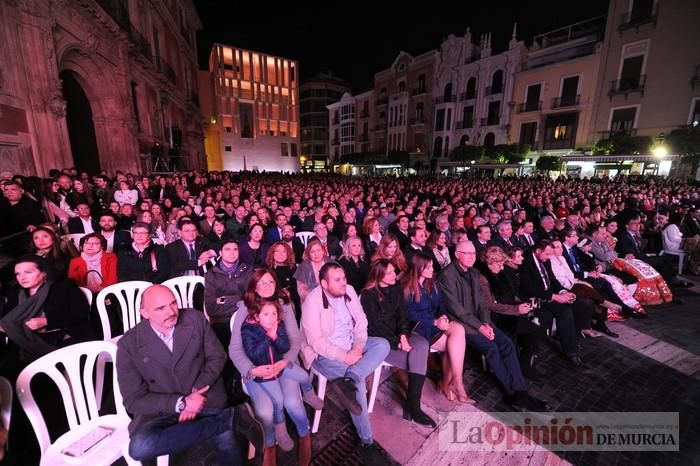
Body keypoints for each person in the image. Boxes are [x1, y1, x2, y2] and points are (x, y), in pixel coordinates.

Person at [115, 284, 263, 465]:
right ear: (144, 313)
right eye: (160, 308)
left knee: (227, 446)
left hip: (205, 396)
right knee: (139, 447)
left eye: (173, 304)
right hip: (162, 409)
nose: (171, 312)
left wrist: (196, 392)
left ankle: (222, 424)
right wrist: (182, 403)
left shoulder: (194, 318)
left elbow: (217, 356)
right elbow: (133, 400)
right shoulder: (128, 344)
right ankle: (233, 418)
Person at [438, 241, 548, 411]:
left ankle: (520, 391)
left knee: (507, 344)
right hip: (461, 325)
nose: (471, 257)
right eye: (467, 253)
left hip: (481, 321)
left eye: (473, 254)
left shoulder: (474, 273)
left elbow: (483, 304)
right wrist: (480, 327)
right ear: (457, 254)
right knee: (492, 349)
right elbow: (457, 310)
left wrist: (487, 323)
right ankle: (511, 393)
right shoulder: (447, 276)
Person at [300, 262, 390, 459]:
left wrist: (358, 346)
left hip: (351, 344)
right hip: (324, 355)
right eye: (337, 280)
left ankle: (352, 375)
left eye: (344, 278)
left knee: (382, 345)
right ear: (324, 283)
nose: (343, 283)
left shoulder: (348, 291)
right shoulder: (312, 302)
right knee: (357, 384)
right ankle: (366, 442)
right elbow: (315, 342)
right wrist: (344, 356)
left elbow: (361, 320)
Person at [229, 269, 314, 466]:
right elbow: (235, 349)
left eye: (270, 282)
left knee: (292, 402)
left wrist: (285, 362)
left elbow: (295, 340)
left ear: (276, 284)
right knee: (265, 412)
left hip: (283, 362)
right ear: (253, 286)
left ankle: (304, 433)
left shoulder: (285, 305)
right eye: (261, 283)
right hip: (257, 367)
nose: (266, 286)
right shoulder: (244, 308)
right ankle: (269, 445)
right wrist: (251, 370)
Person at [240, 298, 323, 464]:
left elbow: (285, 347)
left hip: (280, 365)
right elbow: (253, 354)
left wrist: (275, 335)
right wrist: (268, 337)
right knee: (275, 402)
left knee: (303, 379)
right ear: (256, 317)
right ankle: (276, 435)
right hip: (263, 372)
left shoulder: (278, 323)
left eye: (273, 314)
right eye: (266, 314)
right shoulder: (248, 330)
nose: (271, 318)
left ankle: (307, 405)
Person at [360, 259, 435, 427]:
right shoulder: (368, 295)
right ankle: (414, 408)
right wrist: (397, 342)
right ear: (379, 275)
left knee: (422, 345)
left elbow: (403, 316)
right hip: (382, 341)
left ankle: (412, 406)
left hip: (399, 334)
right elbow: (375, 327)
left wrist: (402, 335)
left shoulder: (396, 288)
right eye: (390, 273)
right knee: (418, 357)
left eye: (394, 271)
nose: (395, 275)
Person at [0, 255, 95, 376]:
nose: (22, 277)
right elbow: (9, 319)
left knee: (42, 373)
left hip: (64, 336)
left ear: (44, 272)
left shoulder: (64, 286)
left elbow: (81, 312)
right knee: (8, 371)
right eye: (17, 274)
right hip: (25, 338)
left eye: (28, 272)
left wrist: (46, 321)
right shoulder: (16, 293)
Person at [402, 253, 472, 403]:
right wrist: (435, 322)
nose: (432, 269)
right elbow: (409, 316)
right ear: (419, 269)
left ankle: (456, 381)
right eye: (428, 267)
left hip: (437, 322)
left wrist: (444, 317)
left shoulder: (432, 282)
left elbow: (441, 304)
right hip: (421, 328)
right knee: (451, 346)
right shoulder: (407, 287)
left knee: (459, 329)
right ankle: (448, 384)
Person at [474, 247, 547, 379]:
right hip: (494, 317)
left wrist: (522, 303)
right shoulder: (483, 279)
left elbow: (510, 294)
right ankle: (521, 366)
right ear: (491, 262)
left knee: (537, 327)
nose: (502, 268)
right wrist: (516, 310)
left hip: (507, 311)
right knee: (533, 330)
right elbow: (489, 305)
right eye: (500, 264)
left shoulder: (497, 273)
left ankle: (524, 363)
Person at [519, 240, 587, 366]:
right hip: (537, 298)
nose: (549, 257)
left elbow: (552, 280)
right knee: (564, 311)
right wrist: (554, 297)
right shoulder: (525, 262)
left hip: (550, 294)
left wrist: (562, 291)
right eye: (547, 254)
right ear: (538, 251)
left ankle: (570, 336)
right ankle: (571, 352)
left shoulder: (546, 260)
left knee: (582, 304)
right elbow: (528, 287)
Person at [204, 240, 252, 347]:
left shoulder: (248, 271)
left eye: (235, 249)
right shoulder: (211, 274)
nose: (232, 253)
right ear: (220, 253)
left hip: (244, 318)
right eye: (227, 249)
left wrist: (224, 299)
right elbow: (211, 308)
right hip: (221, 321)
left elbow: (250, 301)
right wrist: (239, 300)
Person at [265, 241, 300, 312]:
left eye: (284, 251)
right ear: (272, 254)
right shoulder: (267, 271)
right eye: (277, 251)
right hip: (272, 303)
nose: (280, 254)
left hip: (291, 303)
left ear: (288, 254)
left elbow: (296, 291)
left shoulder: (293, 269)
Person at [294, 238, 330, 304]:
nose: (316, 254)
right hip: (311, 302)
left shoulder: (330, 263)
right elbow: (302, 291)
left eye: (318, 250)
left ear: (323, 251)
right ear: (308, 254)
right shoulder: (303, 267)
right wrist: (317, 298)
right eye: (312, 252)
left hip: (331, 299)